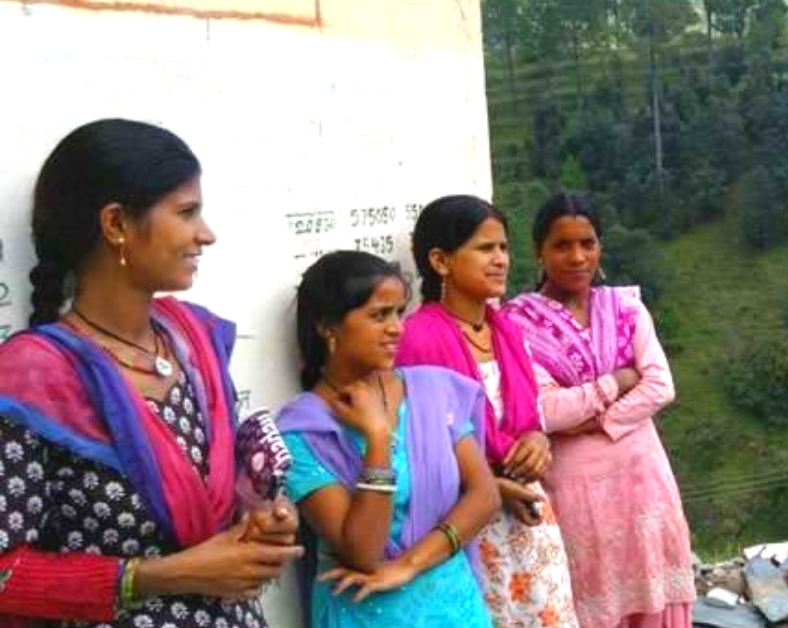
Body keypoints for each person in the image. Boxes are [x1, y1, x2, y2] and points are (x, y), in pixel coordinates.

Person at [0, 119, 302, 627]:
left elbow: (219, 498)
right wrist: (161, 576)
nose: (206, 234)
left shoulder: (194, 341)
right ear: (116, 224)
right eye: (187, 213)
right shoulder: (33, 380)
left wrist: (258, 519)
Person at [276, 250, 499, 628]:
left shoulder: (431, 390)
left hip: (454, 605)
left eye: (399, 313)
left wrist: (408, 565)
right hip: (366, 612)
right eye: (379, 315)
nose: (397, 328)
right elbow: (361, 551)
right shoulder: (303, 431)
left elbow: (484, 494)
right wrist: (377, 440)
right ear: (328, 327)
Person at [503, 192, 695, 628]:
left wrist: (597, 420)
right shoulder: (516, 324)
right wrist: (616, 381)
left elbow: (661, 386)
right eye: (562, 245)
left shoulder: (625, 306)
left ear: (600, 246)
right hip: (575, 489)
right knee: (591, 597)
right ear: (538, 251)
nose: (577, 256)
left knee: (656, 594)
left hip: (644, 479)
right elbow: (546, 410)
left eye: (587, 243)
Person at [396, 195, 580, 628]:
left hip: (530, 517)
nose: (500, 260)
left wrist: (536, 440)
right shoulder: (417, 341)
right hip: (469, 525)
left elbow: (528, 418)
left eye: (503, 248)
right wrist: (492, 485)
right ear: (440, 260)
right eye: (485, 249)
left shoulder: (507, 331)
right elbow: (418, 449)